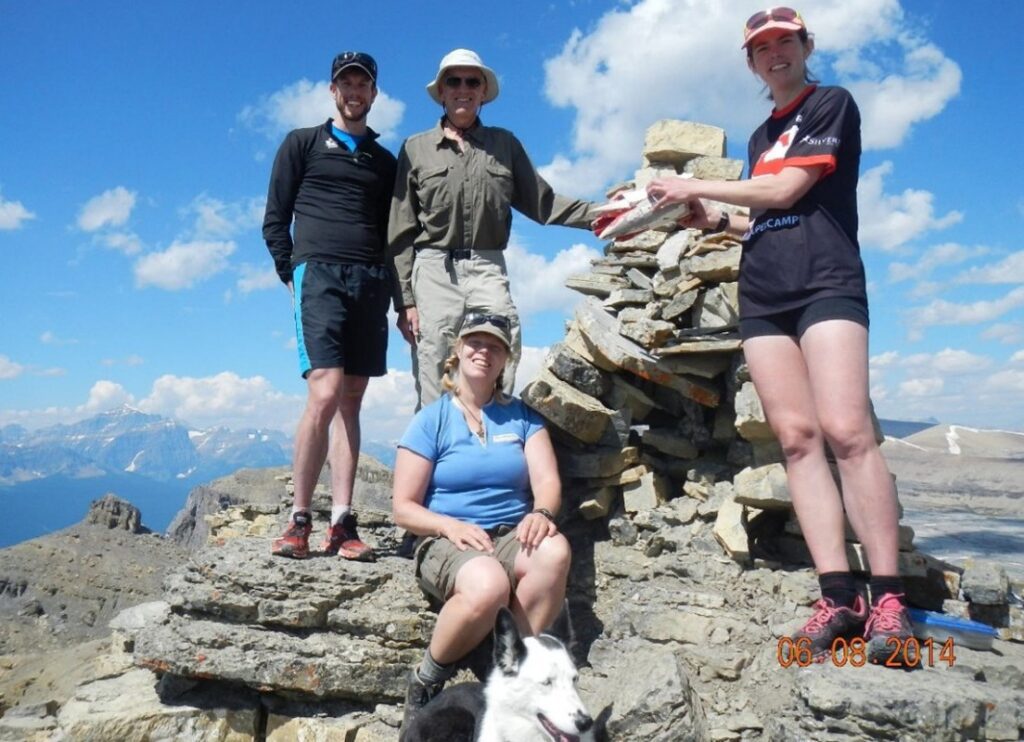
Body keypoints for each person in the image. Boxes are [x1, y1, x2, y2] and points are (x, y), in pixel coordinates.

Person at [645, 7, 911, 664]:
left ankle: (890, 600)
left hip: (826, 282)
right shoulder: (764, 132)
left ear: (803, 46)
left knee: (847, 432)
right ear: (751, 61)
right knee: (796, 442)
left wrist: (688, 184)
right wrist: (717, 219)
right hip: (765, 292)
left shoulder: (831, 104)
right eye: (761, 47)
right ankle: (838, 597)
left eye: (784, 42)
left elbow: (790, 191)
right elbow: (765, 219)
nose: (774, 54)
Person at [388, 48, 597, 409]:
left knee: (501, 347)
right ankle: (437, 458)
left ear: (484, 91)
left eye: (473, 81)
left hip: (488, 265)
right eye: (453, 81)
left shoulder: (505, 145)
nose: (463, 88)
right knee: (436, 360)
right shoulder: (415, 148)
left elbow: (544, 203)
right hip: (434, 270)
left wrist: (605, 215)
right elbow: (400, 230)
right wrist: (404, 300)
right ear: (441, 91)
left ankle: (492, 447)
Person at [391, 314, 569, 732]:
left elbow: (547, 483)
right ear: (457, 349)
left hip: (511, 532)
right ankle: (426, 680)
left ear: (506, 358)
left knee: (555, 551)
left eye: (495, 346)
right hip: (447, 537)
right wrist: (448, 527)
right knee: (489, 585)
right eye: (475, 342)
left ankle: (511, 674)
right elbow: (403, 507)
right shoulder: (431, 420)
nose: (483, 352)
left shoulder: (522, 418)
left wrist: (541, 513)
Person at [262, 51, 397, 561]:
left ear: (374, 93)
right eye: (346, 83)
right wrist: (289, 273)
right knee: (325, 390)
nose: (354, 91)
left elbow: (393, 231)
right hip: (317, 272)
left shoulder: (385, 162)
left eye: (363, 83)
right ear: (332, 90)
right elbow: (275, 216)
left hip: (369, 278)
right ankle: (299, 517)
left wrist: (395, 291)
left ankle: (342, 520)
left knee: (352, 398)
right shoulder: (302, 143)